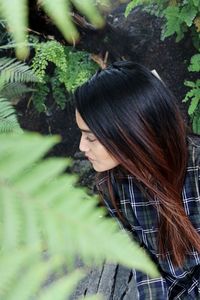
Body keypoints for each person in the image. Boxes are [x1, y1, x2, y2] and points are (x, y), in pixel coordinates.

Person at [74, 61, 200, 299]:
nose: (81, 147)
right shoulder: (111, 185)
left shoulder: (196, 170)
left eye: (90, 138)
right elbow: (140, 259)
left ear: (131, 133)